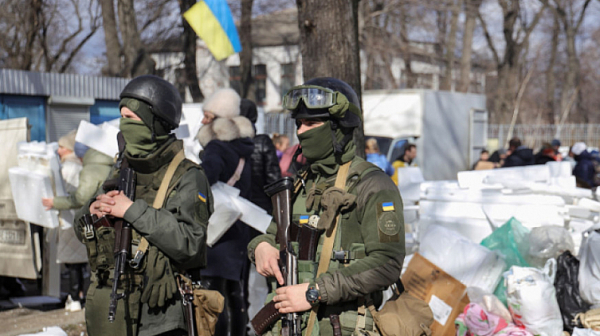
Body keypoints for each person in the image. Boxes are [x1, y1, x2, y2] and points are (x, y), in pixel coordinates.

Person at [248, 77, 405, 335]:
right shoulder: (300, 184)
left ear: (338, 128)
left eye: (311, 123)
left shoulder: (373, 185)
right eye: (299, 123)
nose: (300, 131)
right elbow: (273, 235)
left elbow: (387, 263)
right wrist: (260, 247)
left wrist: (315, 292)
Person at [75, 75, 212, 336]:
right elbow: (80, 228)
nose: (124, 125)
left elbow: (191, 244)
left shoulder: (188, 176)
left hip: (160, 318)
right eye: (122, 117)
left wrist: (131, 210)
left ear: (156, 122)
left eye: (132, 118)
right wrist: (92, 212)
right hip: (109, 314)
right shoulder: (119, 166)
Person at [195, 88, 255, 336]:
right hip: (238, 226)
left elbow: (204, 179)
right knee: (234, 292)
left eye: (207, 116)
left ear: (218, 120)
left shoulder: (216, 148)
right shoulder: (241, 149)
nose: (202, 121)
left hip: (217, 228)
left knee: (212, 294)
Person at [42, 131, 114, 304]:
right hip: (88, 218)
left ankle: (76, 297)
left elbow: (80, 197)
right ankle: (79, 295)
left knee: (76, 261)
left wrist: (56, 201)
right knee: (81, 261)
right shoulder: (100, 164)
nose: (58, 151)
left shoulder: (77, 168)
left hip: (77, 219)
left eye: (61, 146)